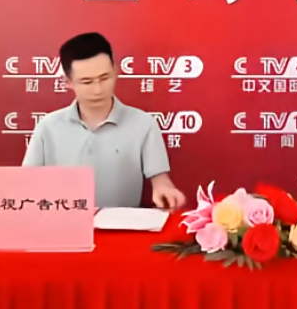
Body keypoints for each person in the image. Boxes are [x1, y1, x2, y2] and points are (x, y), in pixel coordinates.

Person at [23, 32, 186, 210]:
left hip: (123, 224)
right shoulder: (47, 127)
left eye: (105, 78)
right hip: (64, 222)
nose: (98, 90)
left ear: (116, 70)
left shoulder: (143, 123)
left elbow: (161, 181)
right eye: (87, 82)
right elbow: (27, 185)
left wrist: (165, 191)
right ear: (67, 82)